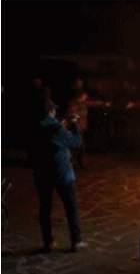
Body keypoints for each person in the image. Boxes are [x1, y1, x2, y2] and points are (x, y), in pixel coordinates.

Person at [28, 101, 87, 252]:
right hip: (62, 174)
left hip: (42, 174)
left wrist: (63, 124)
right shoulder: (56, 128)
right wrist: (73, 124)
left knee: (45, 208)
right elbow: (76, 142)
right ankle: (76, 240)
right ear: (50, 111)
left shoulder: (34, 127)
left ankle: (48, 242)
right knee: (71, 207)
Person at [67, 91, 89, 169]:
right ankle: (73, 163)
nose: (86, 97)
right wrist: (76, 122)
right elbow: (72, 115)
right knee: (77, 146)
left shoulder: (83, 104)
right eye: (85, 95)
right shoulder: (74, 104)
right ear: (81, 96)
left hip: (81, 127)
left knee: (81, 146)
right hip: (76, 128)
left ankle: (80, 163)